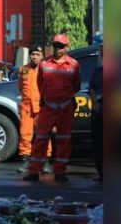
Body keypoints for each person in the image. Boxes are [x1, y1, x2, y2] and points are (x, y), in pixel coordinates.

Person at [23, 34, 81, 182]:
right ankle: (34, 171)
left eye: (60, 46)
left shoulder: (74, 64)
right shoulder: (44, 64)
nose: (57, 48)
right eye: (55, 45)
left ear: (67, 48)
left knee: (64, 140)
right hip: (48, 107)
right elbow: (39, 83)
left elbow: (77, 85)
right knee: (40, 139)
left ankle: (60, 172)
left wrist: (64, 97)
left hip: (66, 107)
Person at [16, 45, 52, 175]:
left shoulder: (47, 70)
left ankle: (45, 162)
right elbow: (21, 86)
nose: (35, 57)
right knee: (25, 135)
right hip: (26, 107)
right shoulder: (24, 70)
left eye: (37, 54)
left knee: (43, 135)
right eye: (33, 54)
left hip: (42, 107)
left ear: (42, 56)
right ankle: (26, 161)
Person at [88, 45, 103, 181]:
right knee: (98, 144)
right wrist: (96, 102)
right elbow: (91, 89)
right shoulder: (98, 72)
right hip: (99, 112)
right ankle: (102, 174)